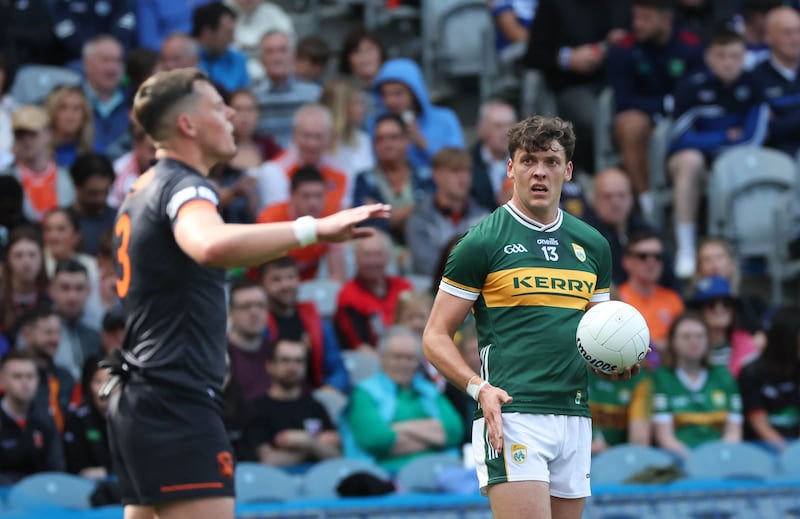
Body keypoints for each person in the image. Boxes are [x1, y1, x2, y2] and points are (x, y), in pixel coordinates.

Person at [106, 68, 388, 519]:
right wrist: (313, 229)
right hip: (177, 399)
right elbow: (211, 244)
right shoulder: (187, 185)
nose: (232, 113)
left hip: (139, 398)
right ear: (188, 125)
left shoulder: (142, 188)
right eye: (218, 107)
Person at [422, 115, 627, 519]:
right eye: (528, 160)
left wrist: (616, 362)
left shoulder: (593, 245)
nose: (539, 171)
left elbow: (599, 334)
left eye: (551, 161)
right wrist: (478, 388)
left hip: (575, 412)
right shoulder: (480, 242)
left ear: (567, 170)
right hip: (513, 412)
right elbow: (434, 336)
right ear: (510, 167)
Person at [667, 27, 768, 278]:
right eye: (721, 56)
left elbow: (754, 136)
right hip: (696, 164)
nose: (728, 62)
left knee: (747, 163)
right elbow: (679, 138)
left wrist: (713, 143)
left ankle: (749, 251)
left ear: (744, 57)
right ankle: (687, 249)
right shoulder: (690, 86)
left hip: (735, 161)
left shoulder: (754, 84)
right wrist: (724, 136)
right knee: (690, 160)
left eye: (735, 56)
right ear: (709, 57)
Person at [343, 325, 464, 474]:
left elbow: (454, 431)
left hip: (442, 471)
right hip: (386, 475)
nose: (403, 364)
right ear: (382, 358)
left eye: (410, 358)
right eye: (397, 357)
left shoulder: (429, 390)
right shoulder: (364, 392)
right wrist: (434, 436)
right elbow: (376, 439)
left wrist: (397, 428)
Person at [652, 312, 743, 459]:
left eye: (700, 336)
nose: (694, 341)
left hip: (721, 460)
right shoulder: (662, 378)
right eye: (686, 337)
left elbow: (734, 433)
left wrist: (719, 458)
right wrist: (695, 462)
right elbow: (665, 437)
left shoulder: (724, 376)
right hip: (678, 463)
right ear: (672, 341)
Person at [246, 339, 341, 466]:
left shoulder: (316, 406)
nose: (292, 367)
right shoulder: (256, 409)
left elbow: (336, 455)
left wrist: (306, 441)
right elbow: (268, 460)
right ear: (270, 366)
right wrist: (315, 445)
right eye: (285, 360)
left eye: (299, 361)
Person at [737, 305, 800, 450]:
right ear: (786, 338)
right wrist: (790, 454)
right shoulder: (751, 372)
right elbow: (759, 424)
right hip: (761, 450)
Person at [0, 350, 65, 485]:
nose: (25, 383)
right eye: (17, 376)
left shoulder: (46, 419)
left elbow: (56, 470)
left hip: (38, 498)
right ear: (2, 380)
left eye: (30, 376)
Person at [63, 355, 114, 479]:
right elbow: (77, 468)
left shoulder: (133, 419)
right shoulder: (76, 420)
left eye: (111, 381)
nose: (105, 389)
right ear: (88, 386)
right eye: (98, 381)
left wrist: (108, 471)